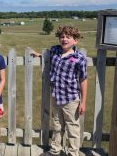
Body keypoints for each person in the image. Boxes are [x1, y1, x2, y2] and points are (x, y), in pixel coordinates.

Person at [32, 26, 87, 156]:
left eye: (68, 37)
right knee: (57, 126)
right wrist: (39, 55)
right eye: (62, 37)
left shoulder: (79, 58)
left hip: (71, 99)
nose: (64, 39)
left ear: (75, 41)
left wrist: (83, 102)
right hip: (56, 97)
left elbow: (83, 80)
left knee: (72, 128)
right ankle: (55, 151)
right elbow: (46, 56)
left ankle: (73, 153)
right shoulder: (55, 50)